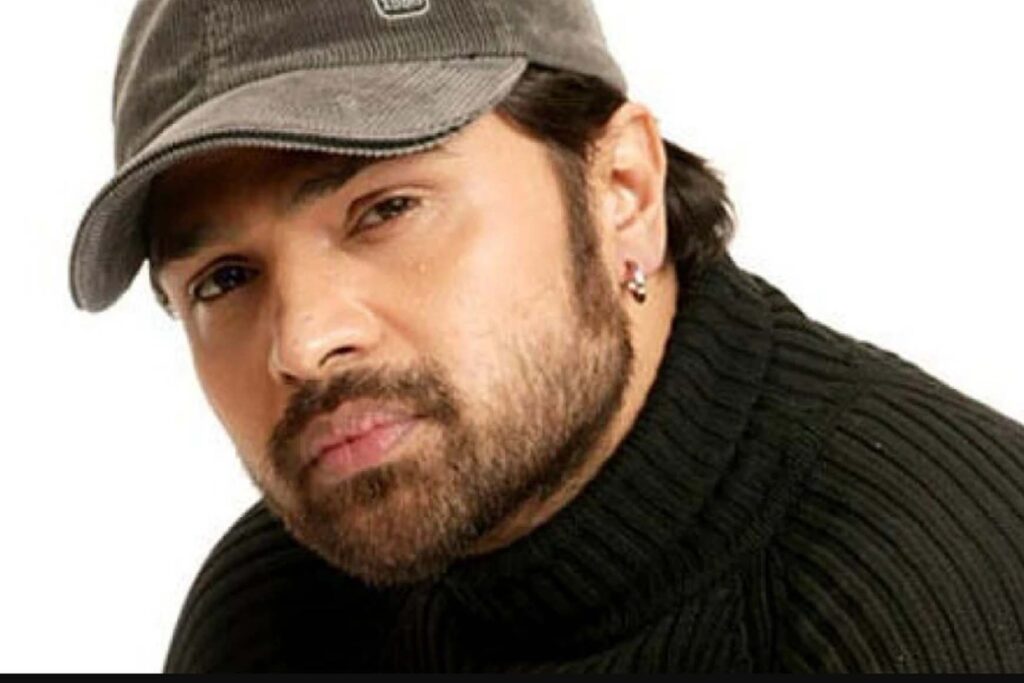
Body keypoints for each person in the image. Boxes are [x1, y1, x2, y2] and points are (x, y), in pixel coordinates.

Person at [70, 0, 1024, 673]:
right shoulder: (272, 613)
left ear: (623, 192)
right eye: (224, 279)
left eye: (386, 209)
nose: (304, 342)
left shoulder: (922, 591)